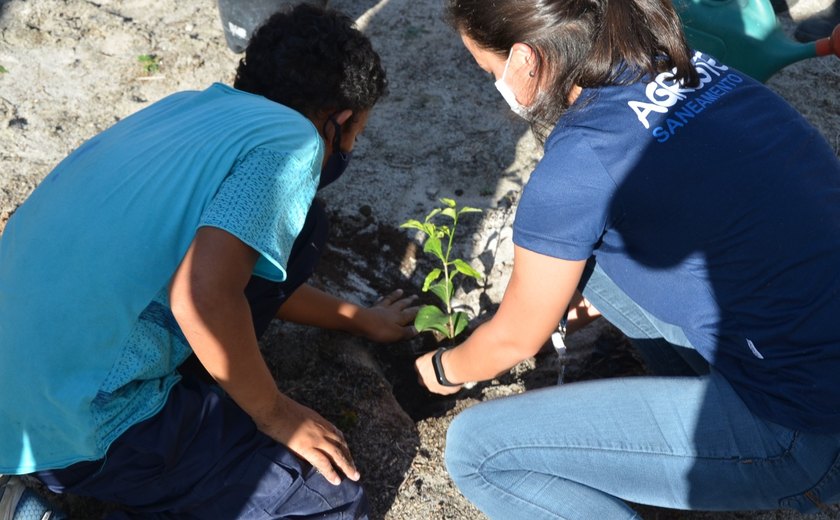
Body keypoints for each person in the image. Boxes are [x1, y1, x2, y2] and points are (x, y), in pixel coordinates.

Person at [415, 0, 840, 518]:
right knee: (592, 258)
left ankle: (737, 455)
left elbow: (514, 338)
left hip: (805, 434)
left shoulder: (581, 161)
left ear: (526, 59)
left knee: (478, 452)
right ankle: (704, 438)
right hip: (814, 360)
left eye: (489, 71)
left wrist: (443, 367)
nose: (494, 85)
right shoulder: (694, 67)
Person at [0, 5, 416, 519]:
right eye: (354, 136)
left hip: (17, 394)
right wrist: (276, 413)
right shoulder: (293, 143)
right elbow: (203, 297)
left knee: (302, 232)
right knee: (328, 503)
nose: (347, 150)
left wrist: (358, 319)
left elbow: (223, 281)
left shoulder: (186, 109)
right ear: (339, 120)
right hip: (79, 425)